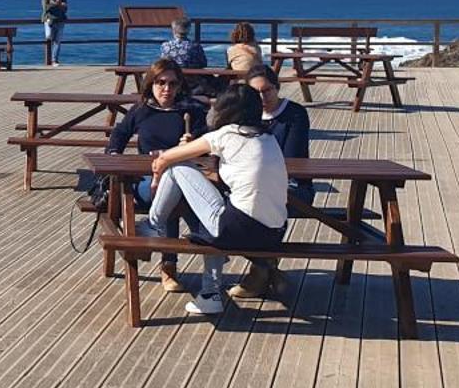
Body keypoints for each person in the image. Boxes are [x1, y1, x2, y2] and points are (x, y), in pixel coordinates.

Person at [139, 83, 289, 317]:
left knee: (179, 168)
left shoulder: (227, 133)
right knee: (212, 213)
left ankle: (154, 225)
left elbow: (168, 157)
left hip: (238, 229)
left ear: (226, 109)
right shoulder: (269, 139)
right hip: (273, 234)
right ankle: (209, 293)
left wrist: (158, 175)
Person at [105, 58, 208, 294]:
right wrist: (113, 155)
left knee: (174, 189)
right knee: (168, 191)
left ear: (180, 85)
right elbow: (119, 135)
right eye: (161, 82)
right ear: (151, 84)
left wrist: (195, 144)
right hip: (145, 180)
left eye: (172, 83)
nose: (167, 89)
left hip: (185, 178)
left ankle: (160, 240)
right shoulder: (142, 110)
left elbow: (210, 144)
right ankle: (175, 261)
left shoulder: (191, 111)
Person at [231, 63, 312, 300]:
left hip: (293, 184)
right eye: (255, 93)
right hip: (252, 185)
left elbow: (291, 157)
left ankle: (260, 269)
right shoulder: (241, 116)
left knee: (264, 200)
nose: (262, 97)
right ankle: (267, 267)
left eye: (266, 90)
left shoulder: (294, 114)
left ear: (277, 88)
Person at [41, 0, 69, 66]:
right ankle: (49, 59)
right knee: (49, 37)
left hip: (60, 20)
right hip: (49, 20)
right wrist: (57, 4)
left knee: (57, 41)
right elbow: (45, 8)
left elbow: (65, 9)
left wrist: (60, 4)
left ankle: (54, 60)